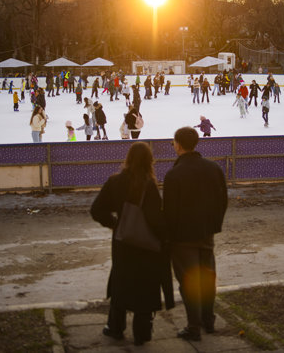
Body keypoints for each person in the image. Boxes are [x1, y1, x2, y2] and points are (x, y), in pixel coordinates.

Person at [90, 142, 174, 346]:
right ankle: (141, 333)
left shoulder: (115, 181)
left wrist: (116, 225)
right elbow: (155, 220)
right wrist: (164, 238)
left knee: (121, 282)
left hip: (122, 244)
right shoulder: (149, 185)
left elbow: (97, 210)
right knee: (145, 287)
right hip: (147, 247)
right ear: (149, 161)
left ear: (128, 158)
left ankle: (115, 328)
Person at [164, 127, 228, 342]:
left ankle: (194, 328)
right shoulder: (213, 168)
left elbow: (170, 211)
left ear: (178, 145)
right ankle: (208, 321)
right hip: (206, 234)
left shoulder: (174, 174)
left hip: (182, 239)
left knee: (189, 283)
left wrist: (168, 238)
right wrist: (213, 225)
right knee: (207, 279)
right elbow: (223, 200)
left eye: (174, 142)